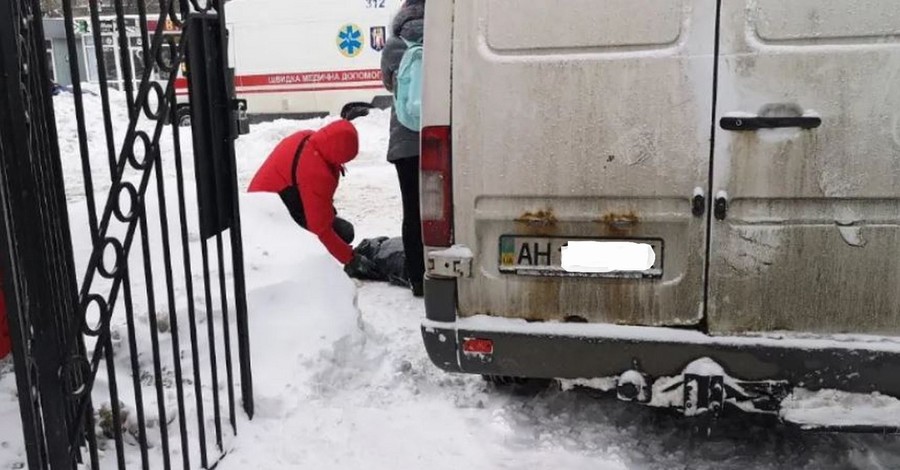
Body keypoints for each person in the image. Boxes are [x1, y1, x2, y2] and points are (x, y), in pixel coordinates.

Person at [248, 103, 379, 276]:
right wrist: (350, 259)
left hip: (260, 204)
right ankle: (298, 262)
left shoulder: (309, 138)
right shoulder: (315, 171)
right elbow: (320, 229)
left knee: (343, 230)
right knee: (341, 233)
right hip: (267, 219)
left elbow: (319, 203)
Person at [381, 0, 425, 297]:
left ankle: (418, 279)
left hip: (405, 139)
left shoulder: (394, 44)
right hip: (442, 133)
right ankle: (448, 272)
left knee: (412, 209)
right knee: (445, 207)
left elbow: (388, 85)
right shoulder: (445, 36)